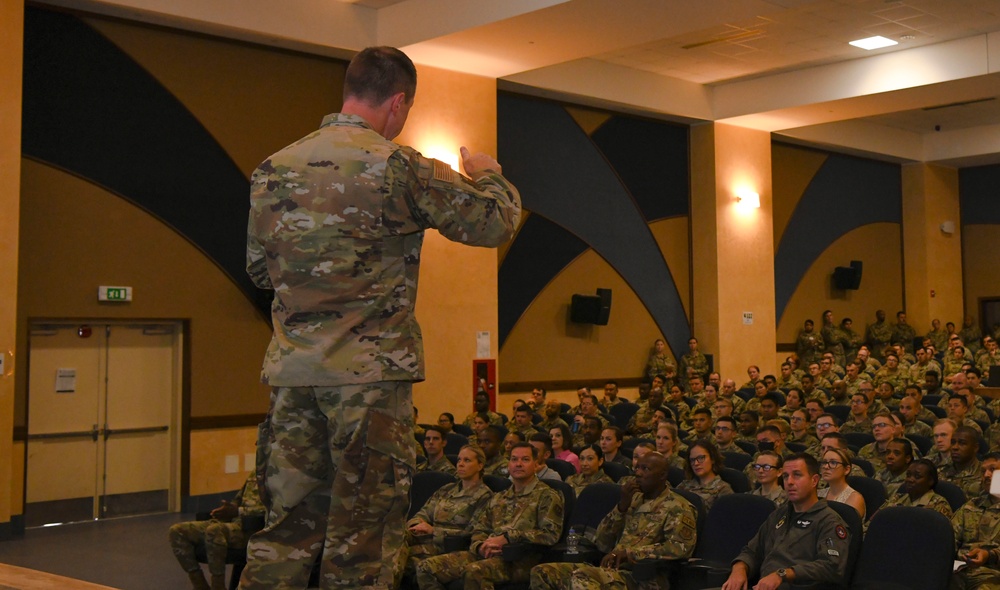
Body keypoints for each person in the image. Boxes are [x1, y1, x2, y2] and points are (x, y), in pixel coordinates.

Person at [242, 46, 522, 589]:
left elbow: (259, 270)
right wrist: (489, 175)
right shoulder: (398, 167)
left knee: (283, 537)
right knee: (363, 542)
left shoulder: (274, 168)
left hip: (293, 380)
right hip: (368, 386)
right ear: (398, 103)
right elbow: (494, 224)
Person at [529, 452, 698, 590]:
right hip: (612, 572)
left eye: (645, 469)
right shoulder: (632, 499)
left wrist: (630, 553)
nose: (638, 473)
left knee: (582, 578)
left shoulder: (679, 506)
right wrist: (621, 507)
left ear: (662, 475)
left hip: (644, 578)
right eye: (636, 467)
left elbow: (679, 548)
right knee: (542, 572)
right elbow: (602, 541)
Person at [416, 443, 563, 589]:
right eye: (514, 459)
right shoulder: (499, 497)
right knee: (426, 568)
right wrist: (480, 546)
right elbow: (478, 529)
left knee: (475, 571)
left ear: (536, 464)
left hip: (519, 559)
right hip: (486, 554)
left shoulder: (547, 495)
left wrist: (508, 537)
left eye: (525, 459)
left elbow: (550, 535)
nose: (518, 464)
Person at [721, 453, 851, 590]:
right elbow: (752, 550)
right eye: (785, 476)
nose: (789, 482)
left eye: (797, 475)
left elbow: (831, 567)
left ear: (814, 481)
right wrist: (739, 569)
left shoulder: (829, 521)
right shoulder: (779, 514)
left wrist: (783, 574)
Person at [403, 446, 492, 581]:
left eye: (467, 460)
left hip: (449, 546)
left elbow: (473, 533)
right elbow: (423, 513)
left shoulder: (484, 496)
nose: (460, 464)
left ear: (480, 465)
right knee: (393, 542)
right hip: (425, 538)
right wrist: (416, 524)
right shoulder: (447, 489)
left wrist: (434, 531)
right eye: (459, 460)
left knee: (404, 561)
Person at [169, 470, 264, 590]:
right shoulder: (254, 474)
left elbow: (275, 511)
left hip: (251, 529)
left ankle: (218, 585)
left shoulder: (278, 478)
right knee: (178, 531)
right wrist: (225, 510)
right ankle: (199, 584)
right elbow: (237, 501)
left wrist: (239, 511)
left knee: (214, 531)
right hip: (232, 523)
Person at [951, 452, 1000, 590]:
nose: (986, 475)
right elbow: (950, 537)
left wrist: (989, 555)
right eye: (983, 471)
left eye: (993, 470)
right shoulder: (971, 505)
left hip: (992, 574)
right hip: (960, 570)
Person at [868, 458, 951, 524]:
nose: (910, 480)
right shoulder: (896, 498)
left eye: (917, 476)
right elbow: (872, 523)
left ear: (930, 481)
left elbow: (941, 538)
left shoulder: (939, 505)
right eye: (908, 475)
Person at [677, 440, 733, 512]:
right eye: (692, 460)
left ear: (712, 459)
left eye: (701, 458)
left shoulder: (723, 489)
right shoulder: (684, 485)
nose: (696, 463)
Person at [817, 447, 866, 519]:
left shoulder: (854, 499)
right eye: (824, 462)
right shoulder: (818, 494)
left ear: (846, 470)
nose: (826, 467)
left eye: (833, 463)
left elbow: (848, 528)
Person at [942, 426, 984, 499]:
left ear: (975, 448)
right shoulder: (940, 472)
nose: (955, 447)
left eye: (962, 443)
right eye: (953, 442)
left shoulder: (985, 474)